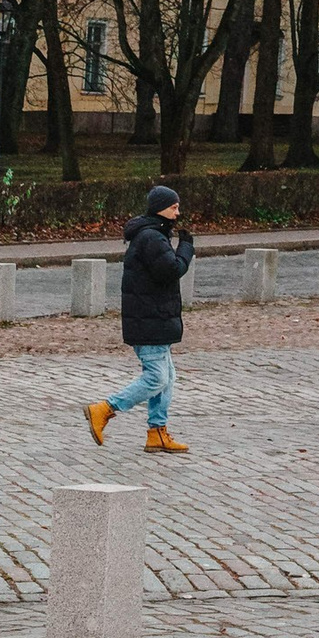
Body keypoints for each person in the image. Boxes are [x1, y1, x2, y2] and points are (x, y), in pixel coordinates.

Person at [89, 183, 194, 454]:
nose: (177, 212)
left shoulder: (154, 235)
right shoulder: (151, 238)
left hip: (154, 316)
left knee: (167, 376)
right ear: (161, 208)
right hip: (150, 318)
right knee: (157, 377)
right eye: (174, 207)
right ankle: (105, 408)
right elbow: (171, 270)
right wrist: (186, 248)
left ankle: (157, 432)